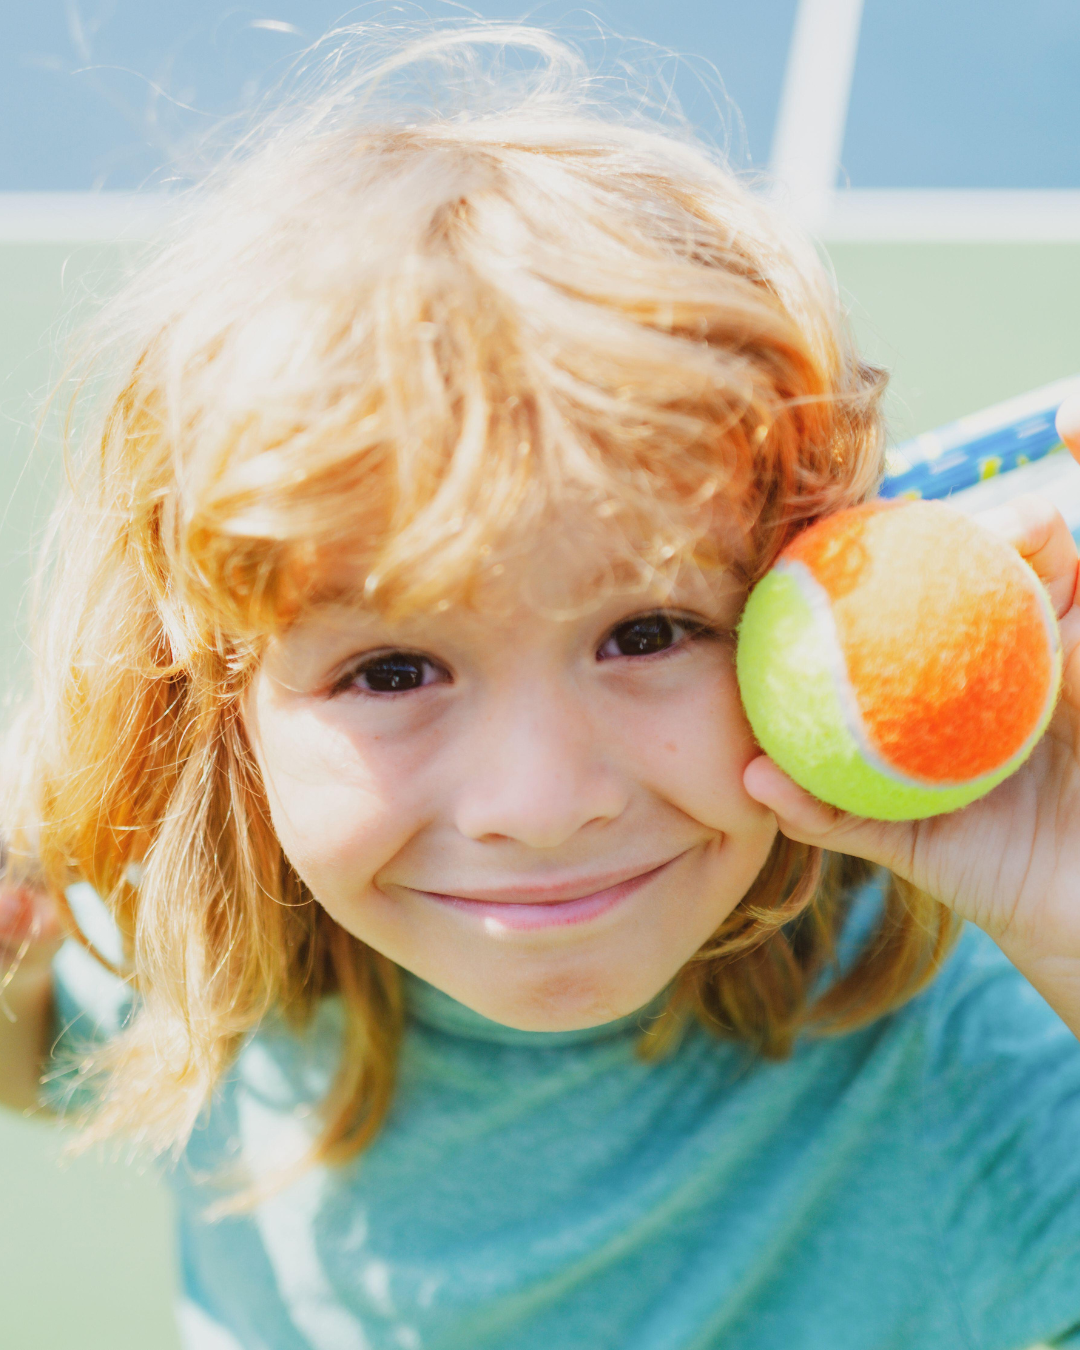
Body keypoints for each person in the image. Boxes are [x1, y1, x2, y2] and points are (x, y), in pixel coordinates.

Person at [3, 23, 1080, 1350]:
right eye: (391, 667)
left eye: (646, 631)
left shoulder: (949, 1068)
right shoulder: (227, 959)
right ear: (225, 719)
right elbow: (56, 1059)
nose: (539, 802)